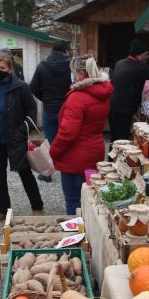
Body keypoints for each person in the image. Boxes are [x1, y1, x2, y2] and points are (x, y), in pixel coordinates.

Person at [0, 52, 44, 223]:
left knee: (25, 173)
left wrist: (21, 131)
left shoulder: (20, 87)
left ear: (10, 69)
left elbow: (32, 112)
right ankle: (3, 209)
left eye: (3, 67)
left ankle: (37, 207)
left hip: (15, 139)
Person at [50, 55, 113, 215]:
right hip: (95, 149)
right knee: (91, 199)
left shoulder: (77, 97)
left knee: (74, 200)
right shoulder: (102, 92)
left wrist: (53, 151)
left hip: (75, 156)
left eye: (73, 72)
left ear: (80, 73)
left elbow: (68, 133)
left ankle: (77, 229)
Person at [29, 40, 72, 182]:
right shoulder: (71, 66)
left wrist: (45, 99)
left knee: (50, 142)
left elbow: (33, 87)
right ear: (66, 51)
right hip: (67, 109)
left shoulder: (42, 66)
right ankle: (68, 170)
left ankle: (47, 173)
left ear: (52, 50)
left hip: (49, 109)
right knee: (67, 140)